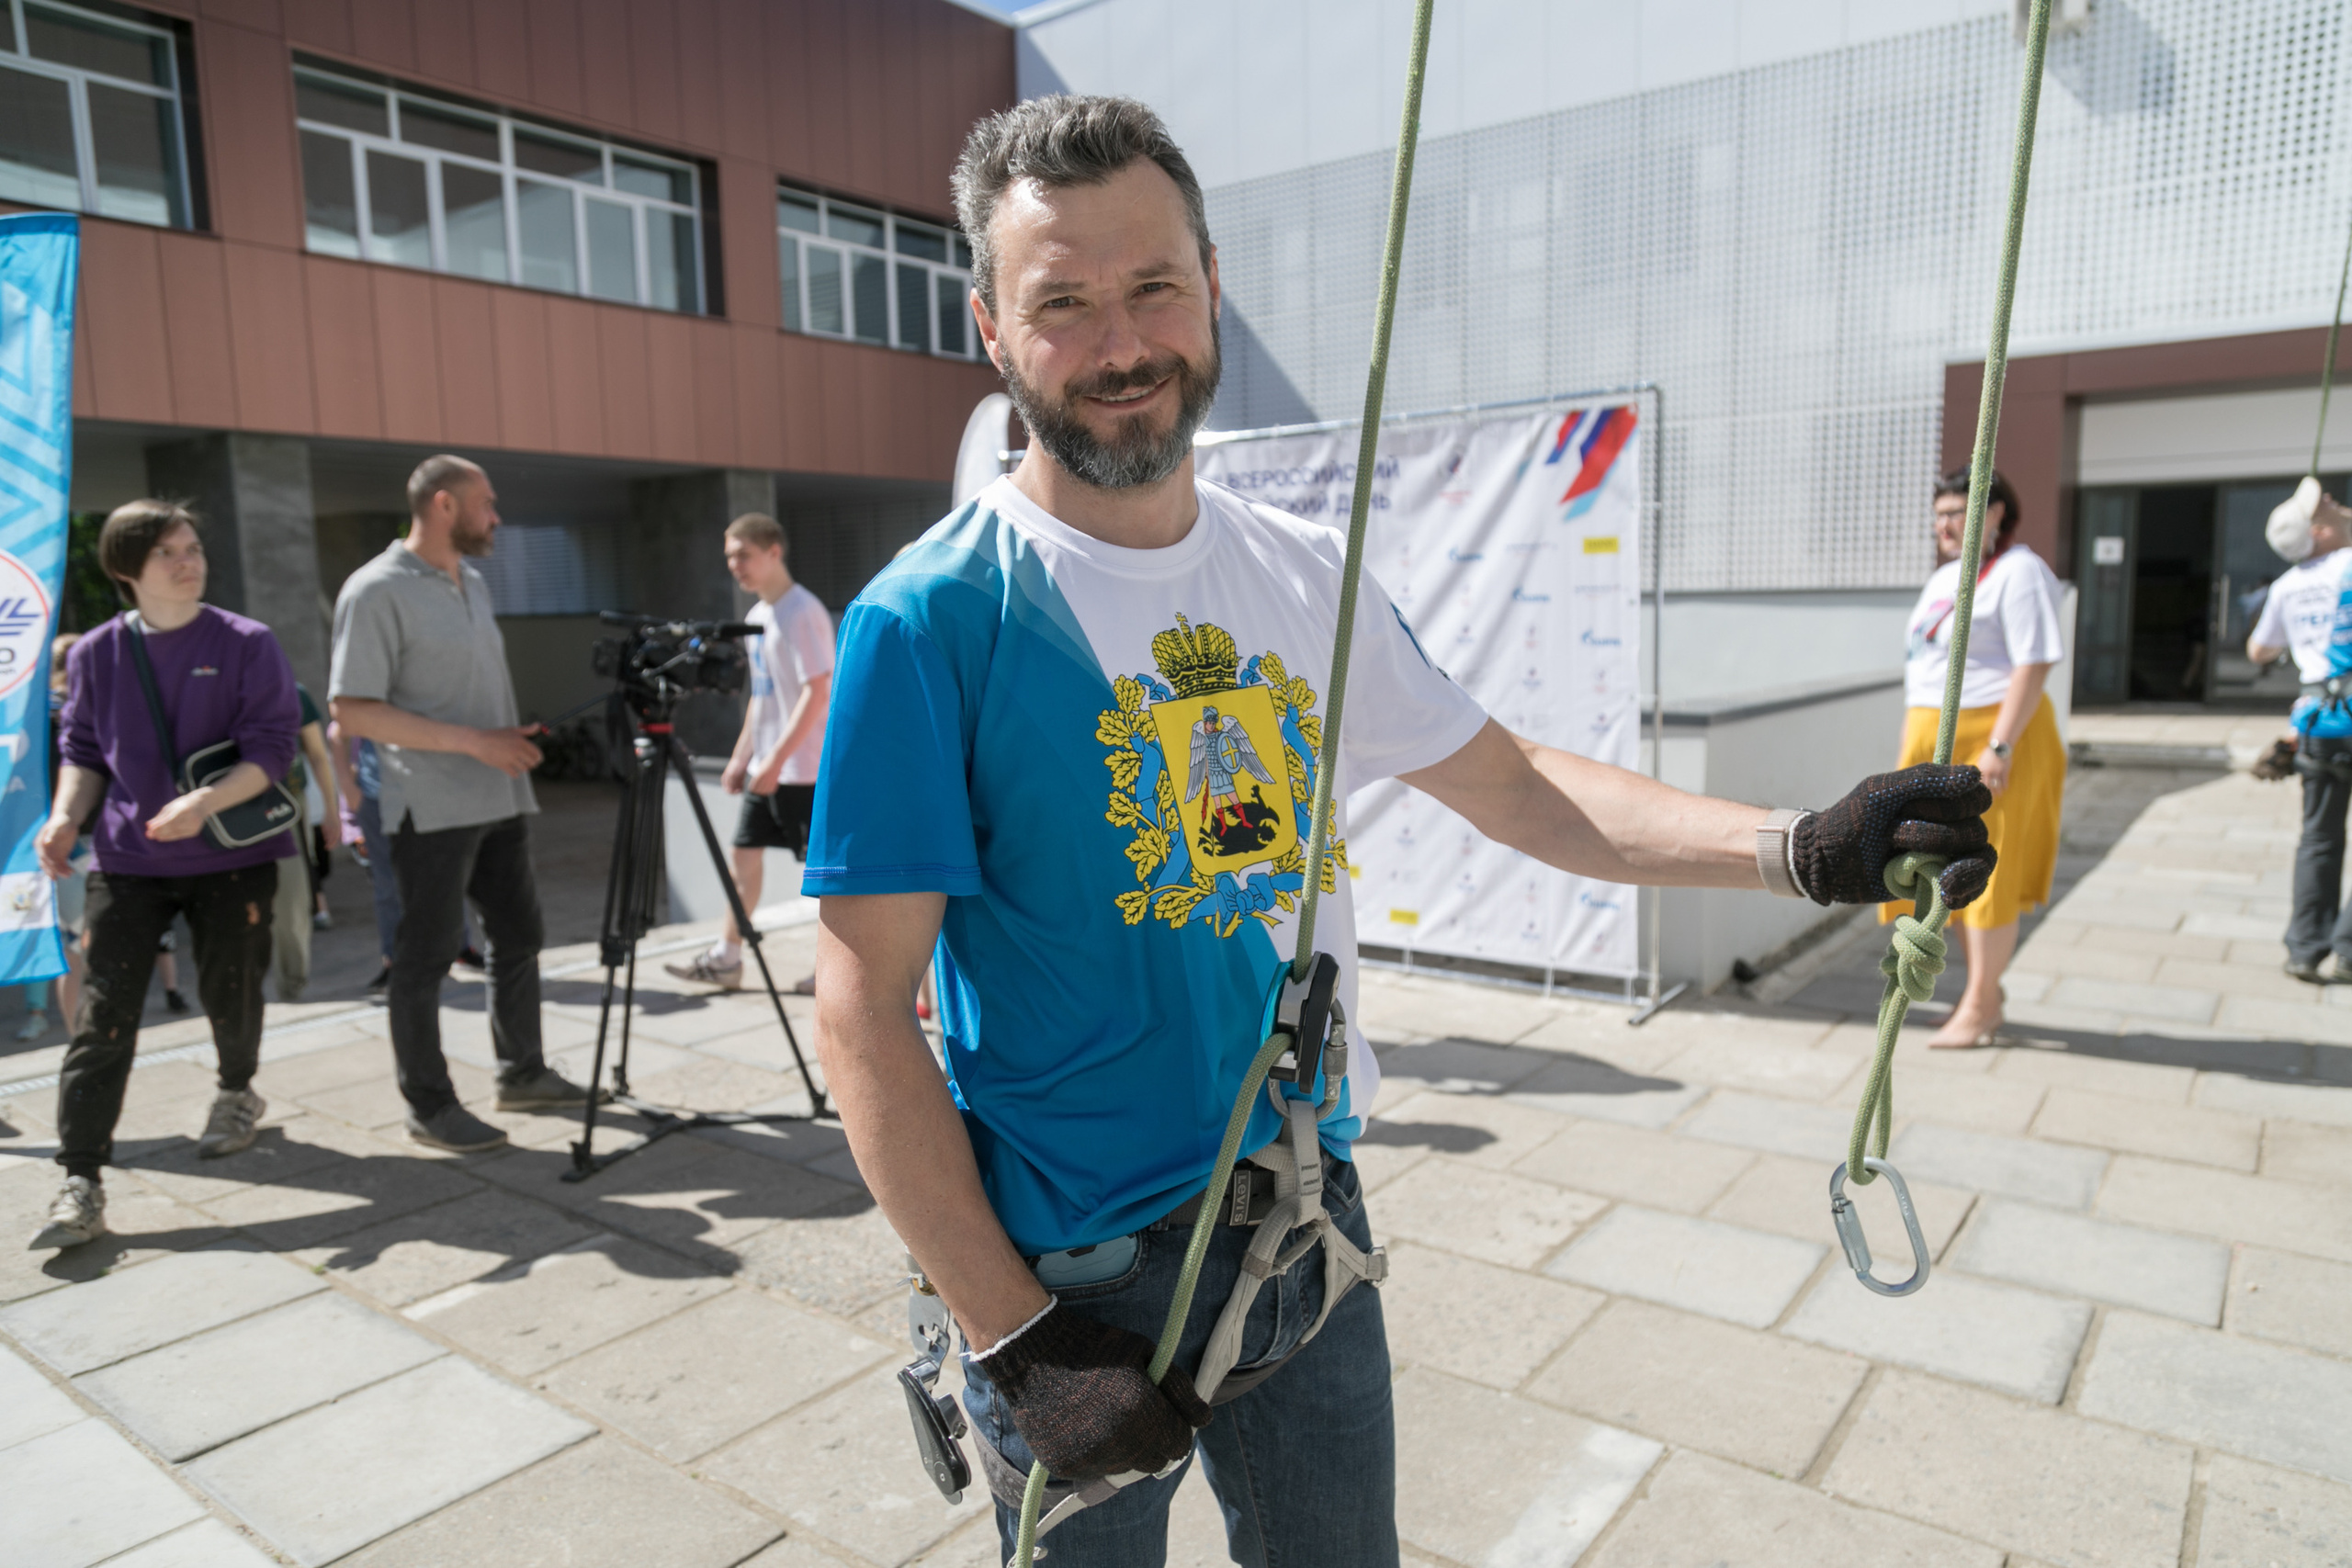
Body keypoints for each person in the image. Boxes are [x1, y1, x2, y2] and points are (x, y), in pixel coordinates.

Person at [806, 96, 1996, 1568]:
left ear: (1213, 283)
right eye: (1062, 303)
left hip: (1309, 1220)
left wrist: (1801, 846)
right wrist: (1014, 1329)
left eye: (1153, 285)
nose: (1121, 345)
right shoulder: (931, 618)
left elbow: (1512, 784)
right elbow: (861, 1004)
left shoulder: (1309, 570)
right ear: (991, 326)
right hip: (1071, 1267)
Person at [29, 502, 300, 1251]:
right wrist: (62, 817)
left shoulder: (247, 641)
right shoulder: (95, 654)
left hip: (230, 852)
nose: (189, 562)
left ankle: (236, 1089)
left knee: (230, 986)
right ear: (127, 571)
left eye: (192, 546)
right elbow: (84, 750)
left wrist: (205, 801)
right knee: (103, 1014)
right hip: (128, 857)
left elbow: (273, 748)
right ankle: (80, 1178)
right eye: (168, 554)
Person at [330, 455, 596, 1153]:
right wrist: (473, 741)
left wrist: (501, 737)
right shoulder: (375, 589)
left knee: (520, 937)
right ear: (444, 504)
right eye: (487, 503)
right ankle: (429, 1104)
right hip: (428, 809)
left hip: (498, 794)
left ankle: (522, 1072)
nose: (497, 516)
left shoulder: (471, 581)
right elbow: (352, 709)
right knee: (423, 960)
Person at [1883, 470, 2068, 1046]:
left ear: (1994, 515)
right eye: (1939, 513)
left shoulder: (2019, 571)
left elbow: (2032, 662)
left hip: (1991, 737)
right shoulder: (1943, 577)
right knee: (1946, 873)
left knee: (1992, 868)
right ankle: (1982, 994)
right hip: (1936, 737)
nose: (1945, 524)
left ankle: (1982, 1004)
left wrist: (2000, 745)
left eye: (1959, 512)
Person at [665, 513, 833, 996]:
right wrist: (744, 756)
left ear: (773, 551)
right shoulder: (759, 618)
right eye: (729, 557)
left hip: (804, 772)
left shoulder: (803, 611)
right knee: (742, 857)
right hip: (771, 770)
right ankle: (727, 957)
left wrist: (777, 760)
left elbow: (816, 693)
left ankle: (833, 971)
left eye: (743, 554)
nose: (735, 565)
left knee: (822, 878)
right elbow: (763, 696)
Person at [2247, 479, 2352, 981]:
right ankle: (2349, 951)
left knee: (2319, 837)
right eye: (2325, 504)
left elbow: (2257, 650)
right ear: (2319, 530)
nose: (2334, 500)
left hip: (2318, 720)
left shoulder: (2286, 585)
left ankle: (2306, 949)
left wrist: (2299, 643)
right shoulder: (2350, 563)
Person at [17, 634, 89, 1043]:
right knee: (80, 948)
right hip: (80, 845)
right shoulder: (66, 711)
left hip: (57, 843)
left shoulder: (34, 713)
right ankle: (86, 1043)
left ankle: (80, 1040)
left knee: (72, 949)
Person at [267, 684, 340, 1002]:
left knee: (294, 895)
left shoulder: (291, 692)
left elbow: (318, 754)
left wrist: (332, 811)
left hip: (288, 802)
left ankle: (292, 980)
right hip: (229, 804)